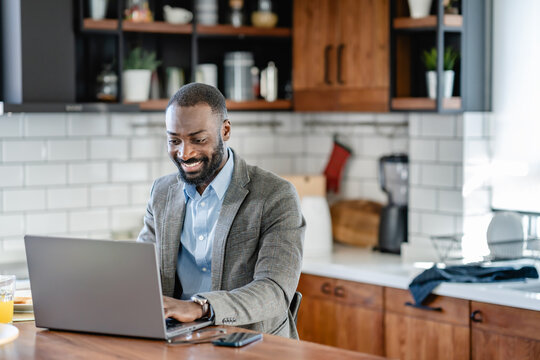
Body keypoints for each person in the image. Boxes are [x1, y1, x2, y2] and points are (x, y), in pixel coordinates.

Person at [137, 83, 305, 338]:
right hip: (178, 341)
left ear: (225, 130)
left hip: (253, 344)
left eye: (198, 140)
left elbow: (275, 291)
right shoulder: (162, 192)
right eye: (174, 140)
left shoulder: (275, 195)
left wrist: (199, 307)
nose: (185, 153)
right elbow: (141, 270)